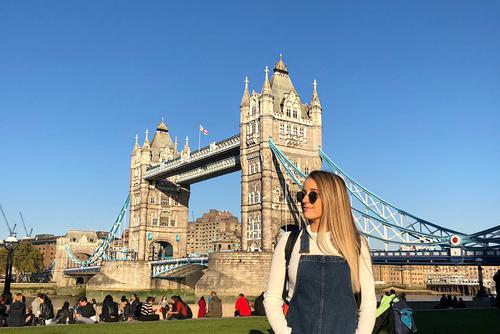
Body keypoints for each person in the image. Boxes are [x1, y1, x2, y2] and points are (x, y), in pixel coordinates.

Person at [264, 171, 377, 334]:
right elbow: (272, 298)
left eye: (312, 195)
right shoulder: (288, 242)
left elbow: (368, 304)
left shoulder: (356, 244)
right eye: (302, 194)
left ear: (332, 199)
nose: (304, 200)